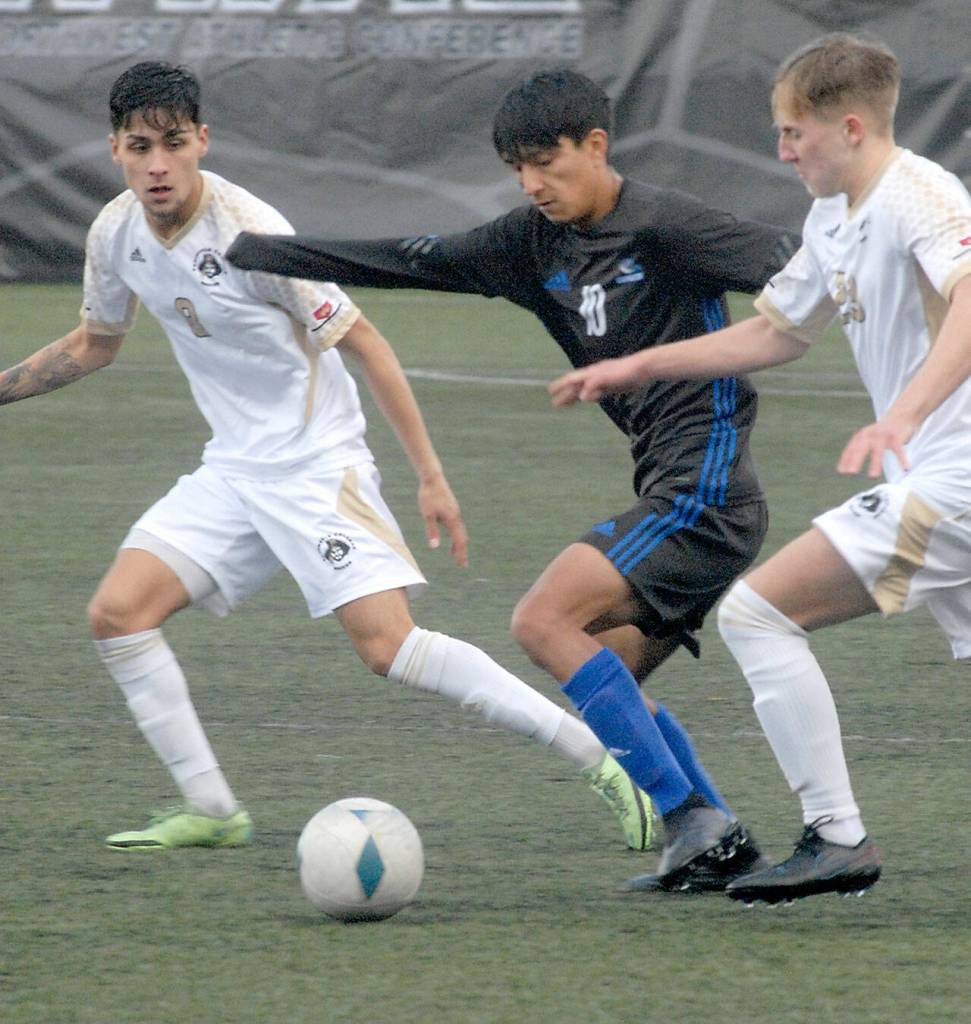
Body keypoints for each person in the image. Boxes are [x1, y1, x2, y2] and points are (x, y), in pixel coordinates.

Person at [0, 60, 656, 853]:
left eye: (174, 144)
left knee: (389, 647)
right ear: (115, 150)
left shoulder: (256, 237)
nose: (158, 164)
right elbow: (94, 344)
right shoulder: (115, 234)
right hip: (234, 470)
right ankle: (212, 809)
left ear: (202, 141)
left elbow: (366, 342)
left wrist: (430, 476)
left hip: (317, 467)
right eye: (140, 147)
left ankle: (602, 759)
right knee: (117, 615)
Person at [226, 68, 799, 891]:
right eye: (516, 169)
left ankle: (687, 818)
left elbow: (803, 270)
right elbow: (408, 259)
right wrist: (254, 252)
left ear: (594, 146)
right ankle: (719, 845)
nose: (532, 184)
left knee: (541, 620)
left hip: (705, 489)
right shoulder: (531, 244)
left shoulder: (670, 226)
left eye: (547, 163)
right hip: (671, 490)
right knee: (606, 673)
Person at [550, 33, 971, 903]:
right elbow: (776, 331)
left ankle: (836, 837)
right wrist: (636, 364)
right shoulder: (832, 217)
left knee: (756, 613)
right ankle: (834, 838)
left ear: (849, 126)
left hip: (953, 477)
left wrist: (903, 412)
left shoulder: (919, 195)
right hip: (934, 472)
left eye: (793, 134)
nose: (781, 152)